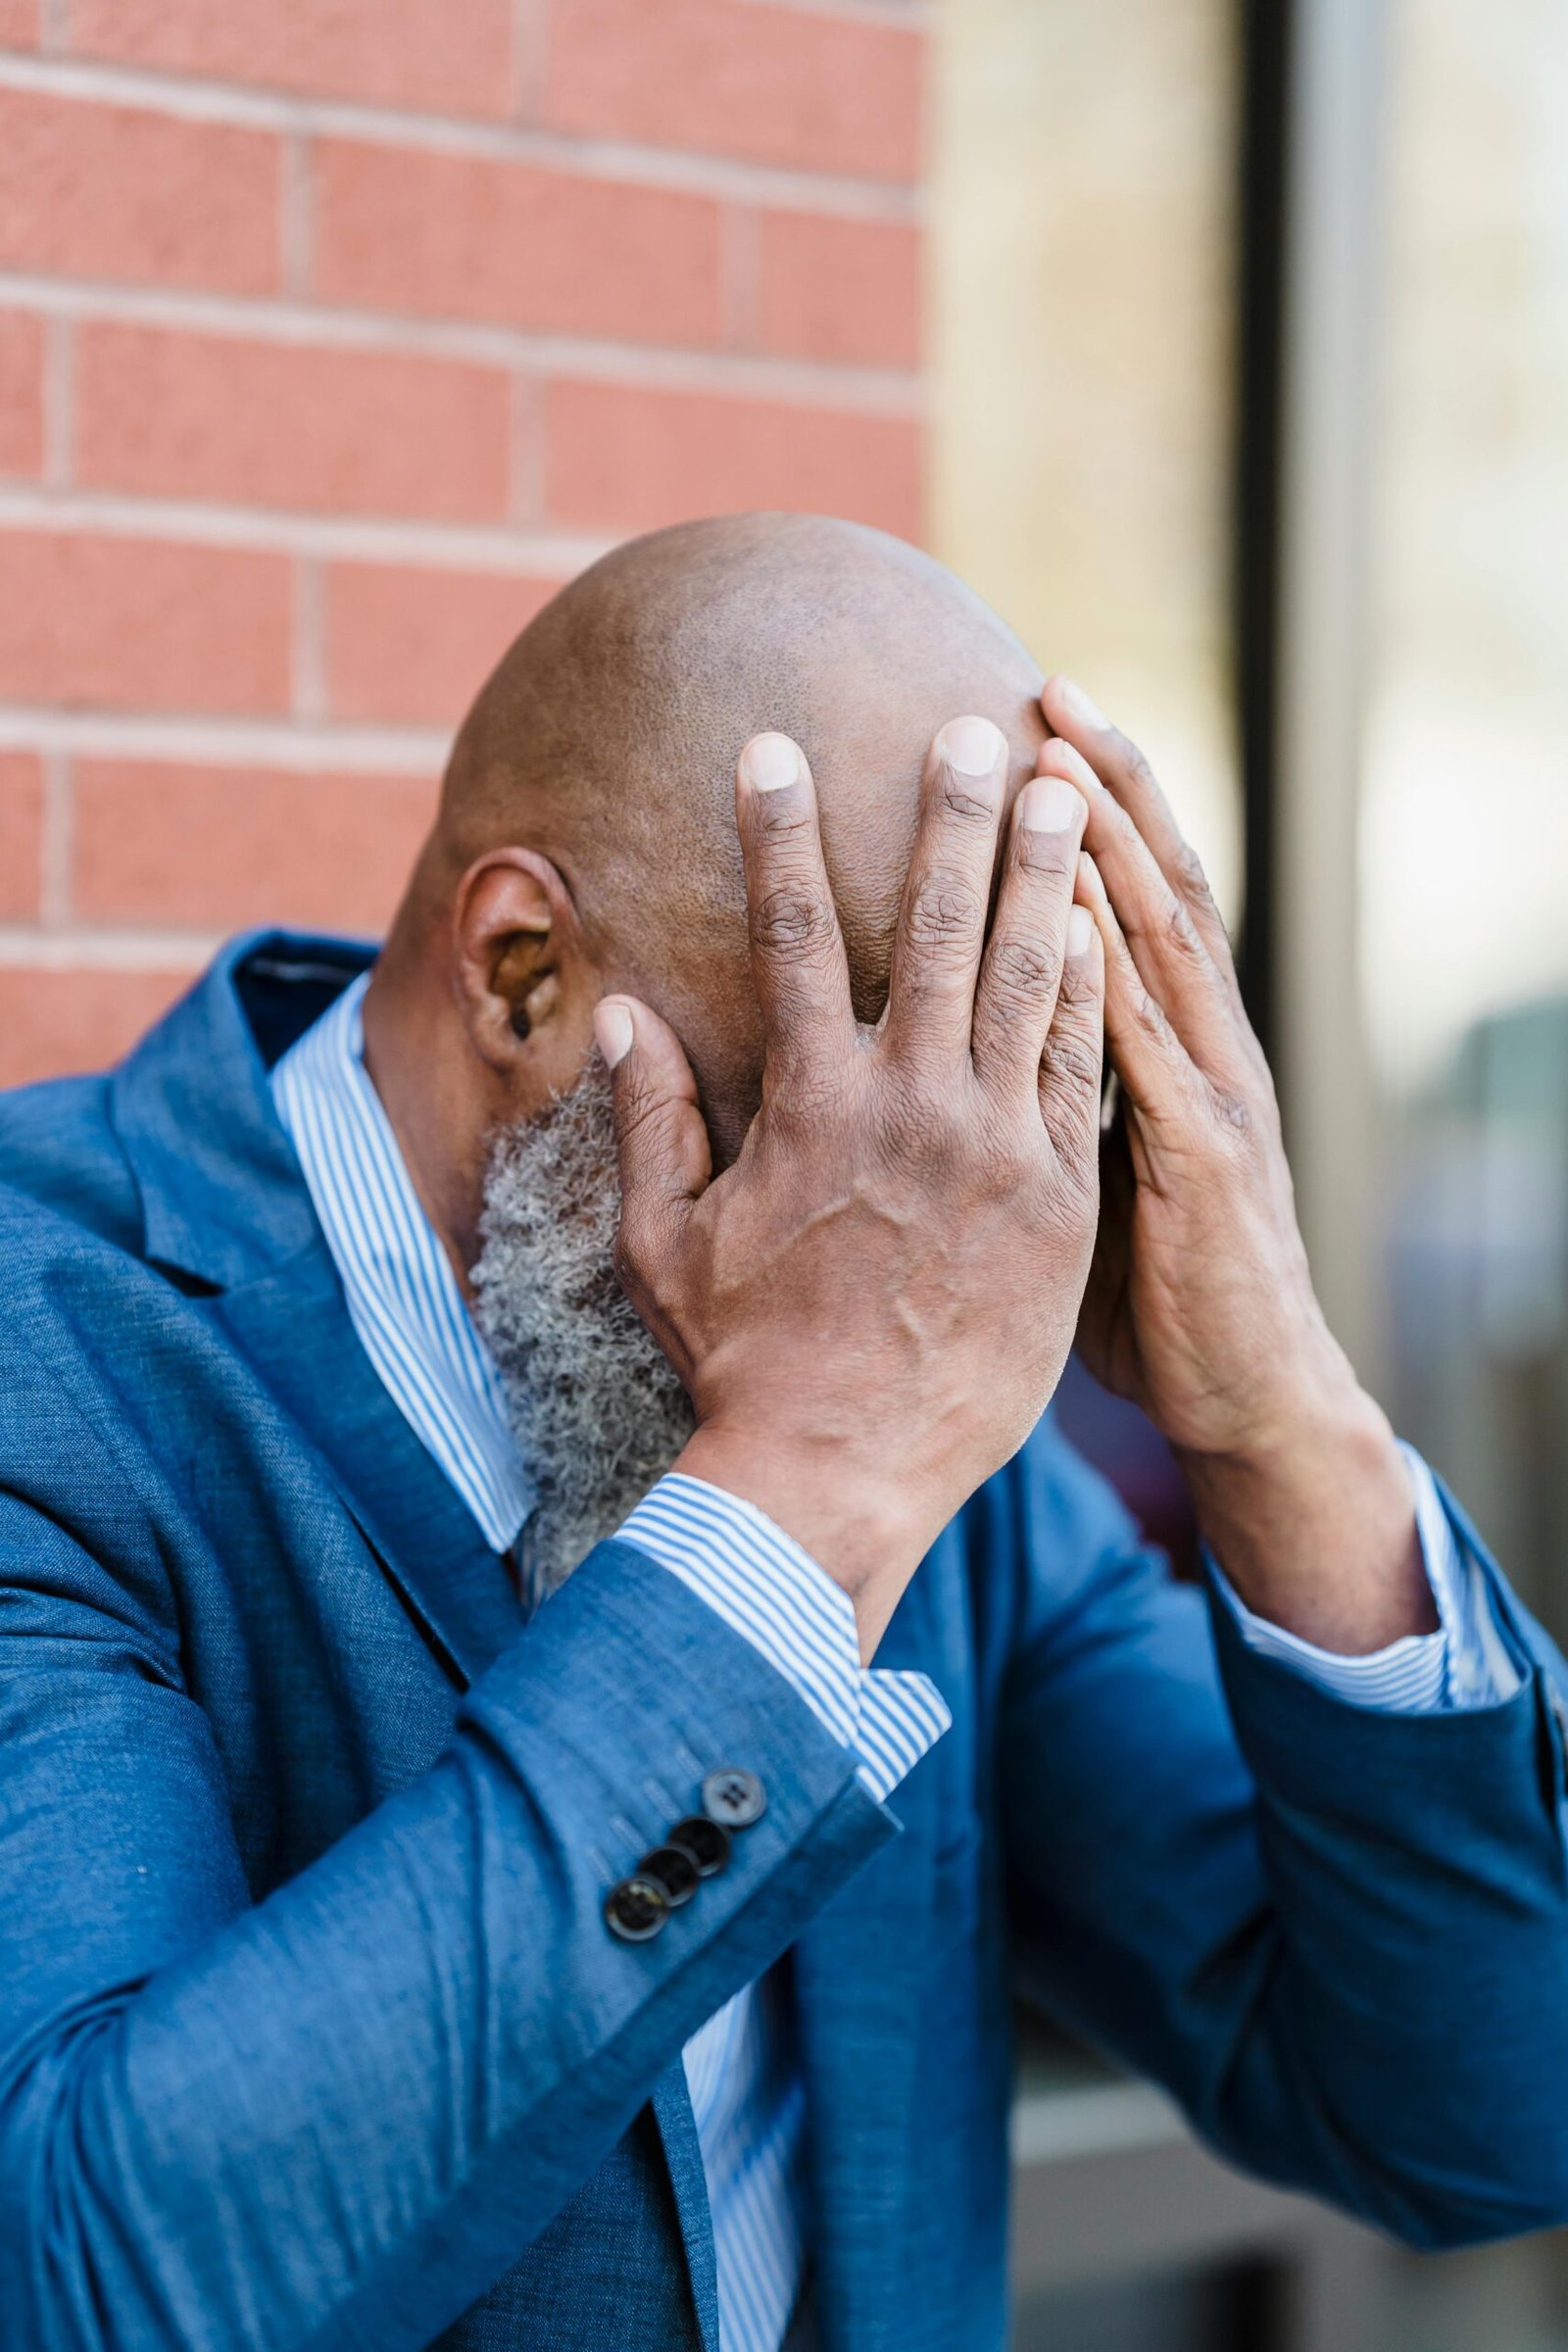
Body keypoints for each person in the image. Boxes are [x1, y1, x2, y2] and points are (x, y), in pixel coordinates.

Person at [0, 513, 1564, 2352]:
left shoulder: (945, 1427)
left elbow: (1490, 2110)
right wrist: (808, 1480)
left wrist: (1282, 1409)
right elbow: (90, 2275)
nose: (947, 1208)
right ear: (522, 971)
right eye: (834, 1093)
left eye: (1011, 1088)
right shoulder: (58, 1367)